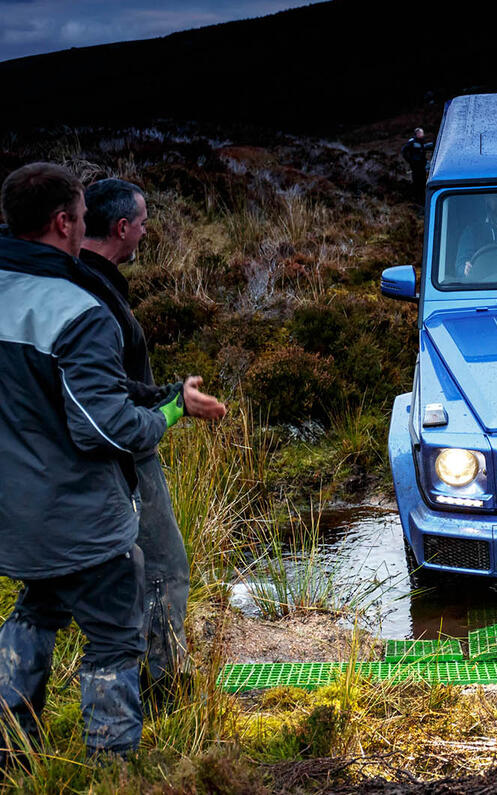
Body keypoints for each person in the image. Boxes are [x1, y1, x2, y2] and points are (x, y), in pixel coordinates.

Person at [0, 163, 185, 759]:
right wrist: (165, 417)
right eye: (80, 217)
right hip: (80, 516)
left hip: (14, 512)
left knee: (36, 610)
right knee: (113, 638)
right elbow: (104, 429)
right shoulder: (76, 311)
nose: (84, 228)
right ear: (63, 221)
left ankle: (12, 748)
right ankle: (111, 767)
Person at [78, 178, 227, 708]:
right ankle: (166, 693)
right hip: (122, 453)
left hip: (76, 460)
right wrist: (173, 404)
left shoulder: (75, 282)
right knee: (164, 568)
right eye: (142, 221)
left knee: (61, 590)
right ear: (122, 227)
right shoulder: (94, 296)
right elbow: (109, 394)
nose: (146, 230)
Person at [401, 127, 435, 195]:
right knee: (417, 180)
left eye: (422, 133)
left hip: (422, 164)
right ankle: (417, 194)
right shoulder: (412, 142)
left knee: (423, 180)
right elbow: (404, 151)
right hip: (415, 165)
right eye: (420, 133)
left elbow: (423, 150)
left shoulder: (421, 142)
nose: (422, 134)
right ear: (416, 134)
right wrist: (410, 160)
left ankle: (422, 194)